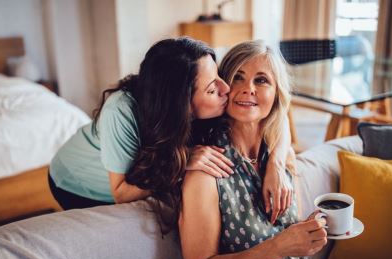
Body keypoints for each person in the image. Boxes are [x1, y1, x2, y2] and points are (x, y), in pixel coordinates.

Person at [179, 40, 361, 259]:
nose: (248, 89)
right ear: (223, 86)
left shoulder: (281, 155)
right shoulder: (206, 172)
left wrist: (307, 232)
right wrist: (279, 246)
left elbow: (287, 230)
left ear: (277, 93)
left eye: (261, 80)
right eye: (238, 77)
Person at [48, 37, 292, 224]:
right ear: (182, 103)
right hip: (76, 179)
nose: (227, 87)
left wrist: (276, 164)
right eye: (211, 88)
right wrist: (183, 161)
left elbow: (275, 115)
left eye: (218, 74)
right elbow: (121, 192)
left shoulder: (213, 96)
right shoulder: (121, 112)